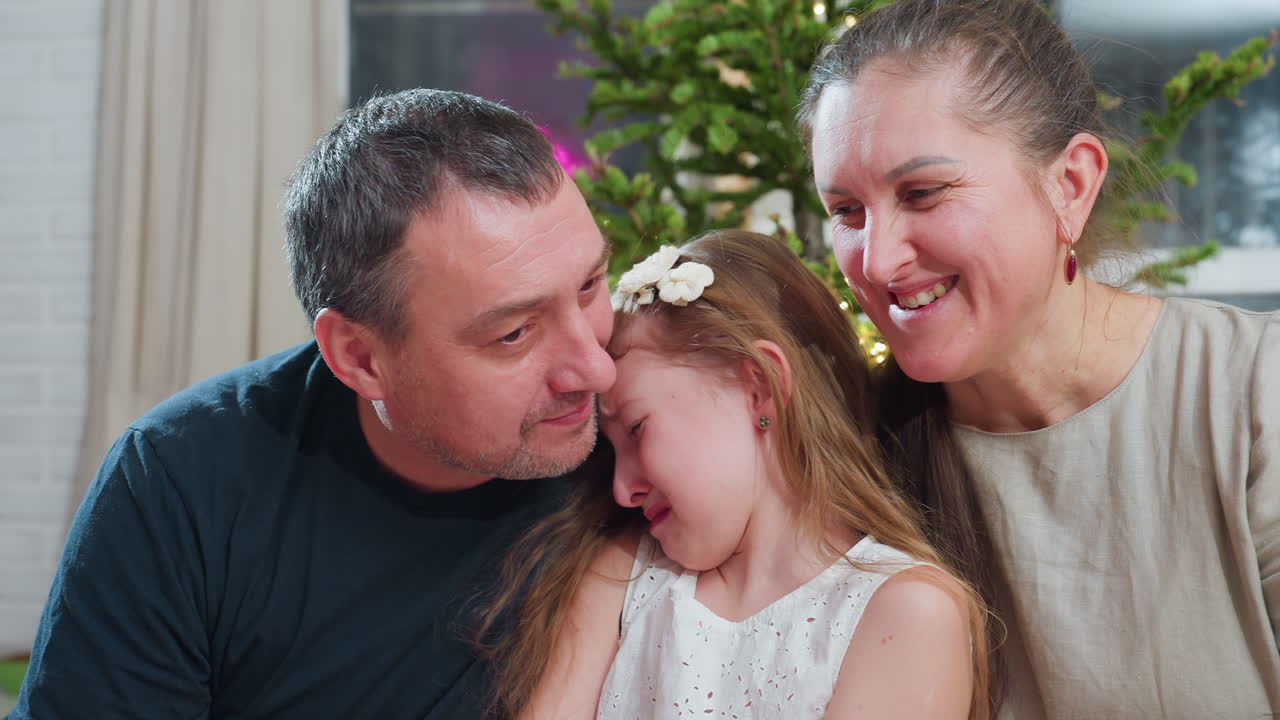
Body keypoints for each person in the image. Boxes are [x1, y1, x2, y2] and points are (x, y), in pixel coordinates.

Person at [8, 88, 616, 719]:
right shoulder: (182, 482)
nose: (595, 368)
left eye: (591, 285)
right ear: (358, 357)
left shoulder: (651, 435)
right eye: (513, 333)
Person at [796, 0, 1280, 717]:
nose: (877, 259)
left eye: (922, 193)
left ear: (1071, 185)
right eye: (847, 211)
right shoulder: (846, 456)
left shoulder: (1252, 387)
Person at [478, 230, 992, 720]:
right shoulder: (627, 574)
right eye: (613, 451)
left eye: (636, 428)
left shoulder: (905, 612)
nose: (622, 488)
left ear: (758, 388)